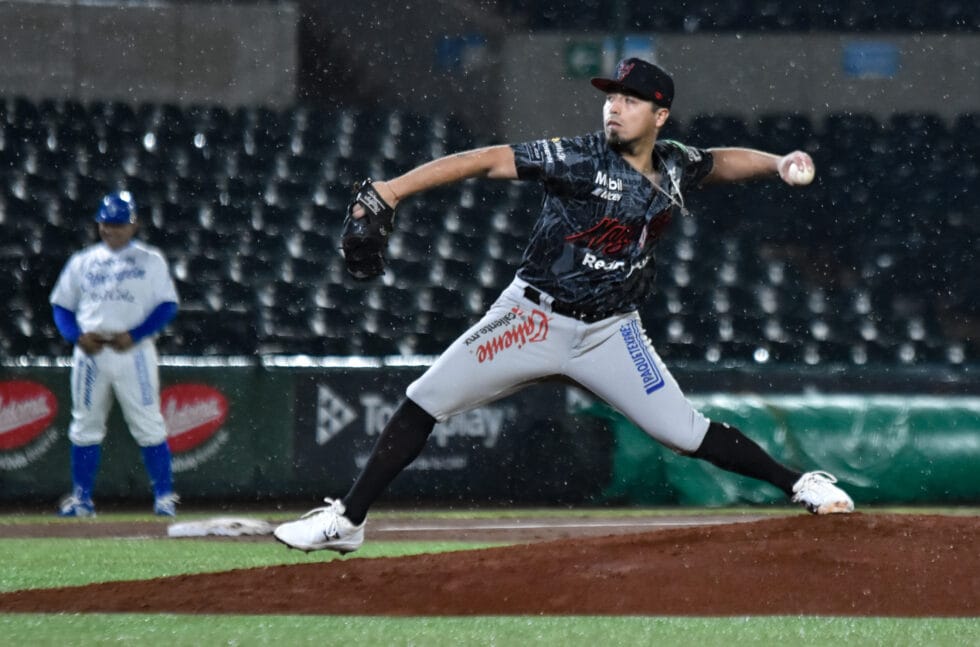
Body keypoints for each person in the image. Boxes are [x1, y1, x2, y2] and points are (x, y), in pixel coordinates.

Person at [274, 57, 854, 553]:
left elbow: (719, 161)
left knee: (685, 431)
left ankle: (801, 484)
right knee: (424, 401)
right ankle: (346, 521)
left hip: (611, 332)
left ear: (660, 116)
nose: (614, 107)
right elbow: (487, 159)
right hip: (532, 318)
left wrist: (777, 163)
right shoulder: (577, 158)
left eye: (631, 100)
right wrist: (394, 190)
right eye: (612, 97)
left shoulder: (674, 163)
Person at [49, 191, 181, 517]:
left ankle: (164, 497)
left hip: (133, 351)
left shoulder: (150, 260)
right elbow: (61, 306)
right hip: (92, 351)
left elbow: (168, 305)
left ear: (134, 225)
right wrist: (75, 337)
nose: (111, 230)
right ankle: (81, 500)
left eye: (119, 224)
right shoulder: (82, 261)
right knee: (84, 425)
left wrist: (135, 334)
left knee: (148, 422)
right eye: (106, 223)